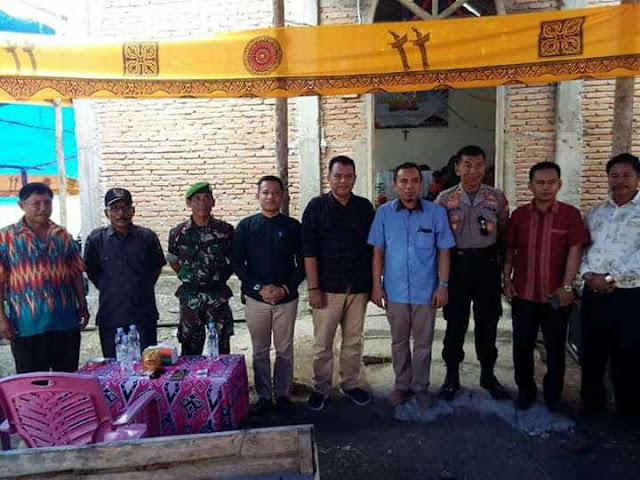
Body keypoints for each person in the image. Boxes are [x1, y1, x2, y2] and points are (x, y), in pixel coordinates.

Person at [368, 163, 455, 408]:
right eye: (404, 182)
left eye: (414, 181)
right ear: (395, 185)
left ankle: (420, 387)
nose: (409, 187)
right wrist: (377, 286)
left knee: (423, 343)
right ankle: (401, 385)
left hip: (426, 291)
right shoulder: (384, 213)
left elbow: (444, 251)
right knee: (398, 341)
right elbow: (378, 251)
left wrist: (443, 285)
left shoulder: (435, 213)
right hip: (395, 291)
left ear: (421, 183)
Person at [503, 162, 586, 411]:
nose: (546, 187)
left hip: (556, 295)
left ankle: (552, 394)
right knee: (522, 346)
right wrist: (506, 279)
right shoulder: (519, 215)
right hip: (524, 293)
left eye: (551, 182)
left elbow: (575, 250)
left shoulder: (570, 215)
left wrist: (567, 286)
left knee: (555, 348)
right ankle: (525, 390)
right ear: (530, 186)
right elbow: (510, 249)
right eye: (540, 183)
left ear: (559, 184)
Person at [435, 145, 510, 400]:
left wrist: (505, 274)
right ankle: (451, 375)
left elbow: (503, 234)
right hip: (456, 266)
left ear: (484, 168)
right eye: (467, 165)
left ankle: (488, 374)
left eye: (478, 165)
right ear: (457, 168)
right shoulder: (444, 199)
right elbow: (437, 240)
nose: (473, 171)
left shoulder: (496, 198)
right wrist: (440, 279)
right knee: (455, 323)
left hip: (487, 266)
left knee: (488, 322)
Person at [302, 155, 375, 411]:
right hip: (326, 288)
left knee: (353, 340)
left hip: (358, 287)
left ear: (355, 178)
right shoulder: (316, 207)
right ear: (329, 178)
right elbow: (308, 250)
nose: (343, 181)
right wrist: (313, 288)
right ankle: (321, 388)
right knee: (323, 342)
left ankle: (350, 384)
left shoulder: (364, 207)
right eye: (338, 176)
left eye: (348, 176)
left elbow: (373, 249)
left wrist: (374, 286)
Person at [233, 175, 305, 415]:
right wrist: (258, 288)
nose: (270, 197)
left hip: (286, 299)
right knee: (260, 349)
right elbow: (237, 263)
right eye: (265, 192)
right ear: (257, 195)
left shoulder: (293, 226)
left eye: (275, 192)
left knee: (284, 349)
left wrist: (286, 288)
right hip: (256, 300)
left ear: (282, 196)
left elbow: (302, 263)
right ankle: (264, 395)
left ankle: (283, 394)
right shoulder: (246, 226)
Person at [0, 182, 89, 373]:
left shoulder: (62, 235)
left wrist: (82, 305)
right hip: (27, 324)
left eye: (47, 203)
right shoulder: (6, 238)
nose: (43, 208)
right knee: (32, 382)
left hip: (64, 321)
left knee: (66, 379)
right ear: (21, 205)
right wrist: (2, 318)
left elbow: (76, 273)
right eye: (36, 203)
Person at [579, 153, 640, 421]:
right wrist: (587, 275)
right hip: (593, 293)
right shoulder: (595, 212)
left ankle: (628, 411)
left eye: (626, 175)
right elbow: (582, 247)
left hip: (629, 295)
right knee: (591, 351)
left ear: (638, 178)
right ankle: (591, 403)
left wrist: (610, 278)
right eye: (614, 175)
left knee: (627, 353)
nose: (619, 181)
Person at [84, 188, 166, 358]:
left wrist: (139, 286)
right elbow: (92, 272)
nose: (121, 214)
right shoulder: (96, 240)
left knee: (148, 364)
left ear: (133, 210)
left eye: (125, 208)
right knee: (113, 367)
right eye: (115, 209)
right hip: (111, 315)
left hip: (143, 315)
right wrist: (113, 288)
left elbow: (156, 269)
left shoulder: (147, 237)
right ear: (107, 213)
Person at [167, 182, 234, 355]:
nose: (202, 203)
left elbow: (234, 260)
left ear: (213, 202)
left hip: (217, 296)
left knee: (221, 349)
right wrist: (186, 275)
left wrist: (220, 276)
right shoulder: (178, 232)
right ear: (188, 203)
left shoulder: (226, 231)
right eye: (197, 199)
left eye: (206, 198)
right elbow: (173, 260)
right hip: (190, 297)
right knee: (190, 350)